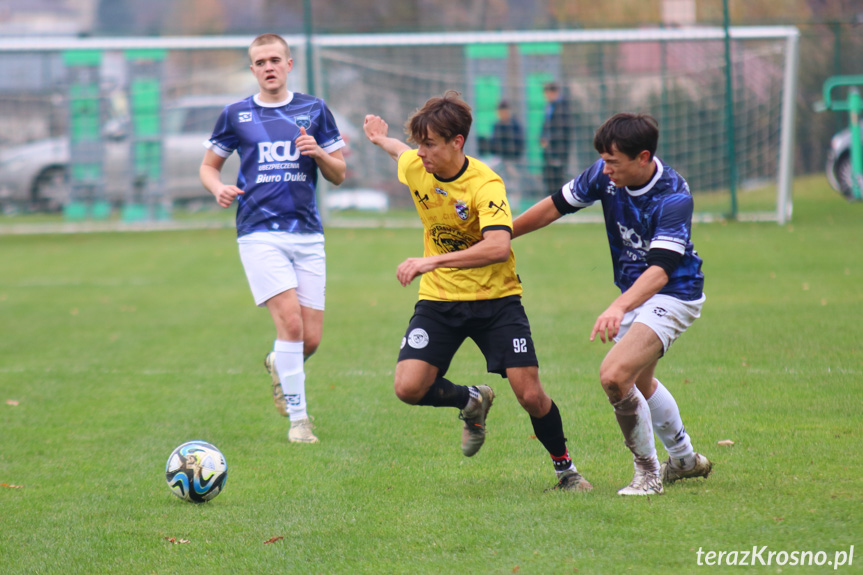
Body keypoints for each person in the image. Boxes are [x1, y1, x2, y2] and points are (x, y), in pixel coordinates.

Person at [363, 91, 591, 492]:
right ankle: (471, 400)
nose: (421, 153)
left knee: (530, 395)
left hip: (496, 300)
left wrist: (429, 261)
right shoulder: (417, 165)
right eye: (419, 143)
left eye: (430, 144)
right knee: (408, 387)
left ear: (457, 142)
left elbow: (498, 246)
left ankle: (566, 471)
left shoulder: (485, 184)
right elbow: (399, 152)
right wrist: (380, 138)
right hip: (440, 299)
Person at [513, 112, 712, 496]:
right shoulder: (603, 174)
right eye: (603, 160)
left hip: (673, 293)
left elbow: (662, 269)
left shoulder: (673, 196)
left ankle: (648, 474)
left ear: (643, 157)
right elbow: (556, 204)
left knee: (614, 375)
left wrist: (619, 306)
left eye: (613, 162)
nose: (606, 170)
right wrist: (504, 235)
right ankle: (685, 460)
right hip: (635, 292)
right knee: (640, 380)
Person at [199, 33, 347, 444]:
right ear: (252, 69)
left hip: (308, 234)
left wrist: (318, 153)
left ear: (288, 64)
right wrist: (217, 188)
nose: (268, 67)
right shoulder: (236, 114)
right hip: (258, 233)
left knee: (310, 338)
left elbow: (339, 175)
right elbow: (209, 167)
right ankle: (299, 422)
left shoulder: (314, 109)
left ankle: (277, 362)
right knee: (291, 326)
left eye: (274, 60)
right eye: (260, 61)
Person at [540, 82, 573, 197]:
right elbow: (545, 125)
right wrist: (542, 138)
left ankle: (558, 201)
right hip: (549, 150)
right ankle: (549, 201)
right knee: (548, 176)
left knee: (557, 177)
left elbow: (563, 130)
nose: (546, 96)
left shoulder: (562, 107)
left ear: (554, 93)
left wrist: (549, 140)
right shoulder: (549, 107)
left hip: (559, 150)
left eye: (548, 93)